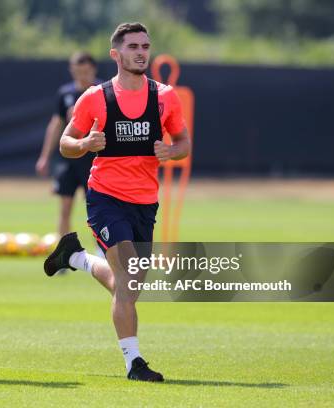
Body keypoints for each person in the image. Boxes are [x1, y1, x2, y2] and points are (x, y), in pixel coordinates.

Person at [44, 22, 191, 382]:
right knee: (127, 280)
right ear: (116, 54)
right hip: (106, 198)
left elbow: (184, 142)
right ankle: (134, 363)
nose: (141, 52)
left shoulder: (164, 97)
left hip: (145, 203)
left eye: (145, 46)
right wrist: (84, 145)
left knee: (131, 285)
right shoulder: (96, 97)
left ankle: (75, 258)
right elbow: (66, 142)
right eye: (133, 47)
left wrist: (170, 152)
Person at [36, 52, 100, 238]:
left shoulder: (102, 91)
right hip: (69, 158)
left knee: (97, 207)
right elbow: (56, 125)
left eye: (86, 71)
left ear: (93, 70)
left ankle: (102, 251)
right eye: (78, 71)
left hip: (94, 159)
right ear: (72, 70)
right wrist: (45, 157)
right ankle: (65, 252)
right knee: (65, 207)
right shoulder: (65, 93)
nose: (82, 76)